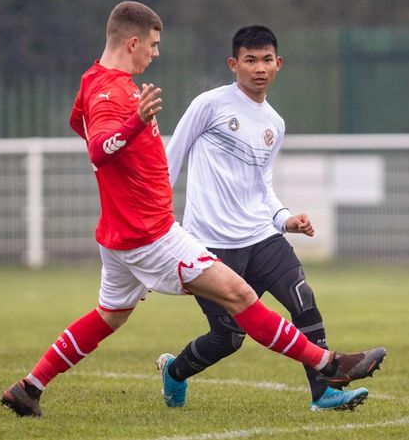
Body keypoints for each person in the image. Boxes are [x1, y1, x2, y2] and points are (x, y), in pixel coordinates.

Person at [0, 1, 386, 418]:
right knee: (239, 298)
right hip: (150, 233)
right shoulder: (117, 91)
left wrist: (123, 166)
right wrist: (133, 124)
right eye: (153, 44)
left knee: (108, 317)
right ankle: (328, 364)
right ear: (133, 42)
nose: (156, 53)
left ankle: (29, 387)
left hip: (121, 232)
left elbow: (82, 124)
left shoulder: (94, 80)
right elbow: (99, 146)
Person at [159, 26, 371, 412]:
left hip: (260, 235)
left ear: (278, 64)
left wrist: (284, 219)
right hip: (210, 243)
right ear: (233, 63)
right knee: (228, 338)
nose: (259, 68)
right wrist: (159, 228)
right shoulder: (208, 105)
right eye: (250, 60)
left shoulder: (276, 123)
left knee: (304, 301)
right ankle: (174, 372)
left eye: (267, 60)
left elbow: (262, 186)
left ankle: (324, 392)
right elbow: (169, 163)